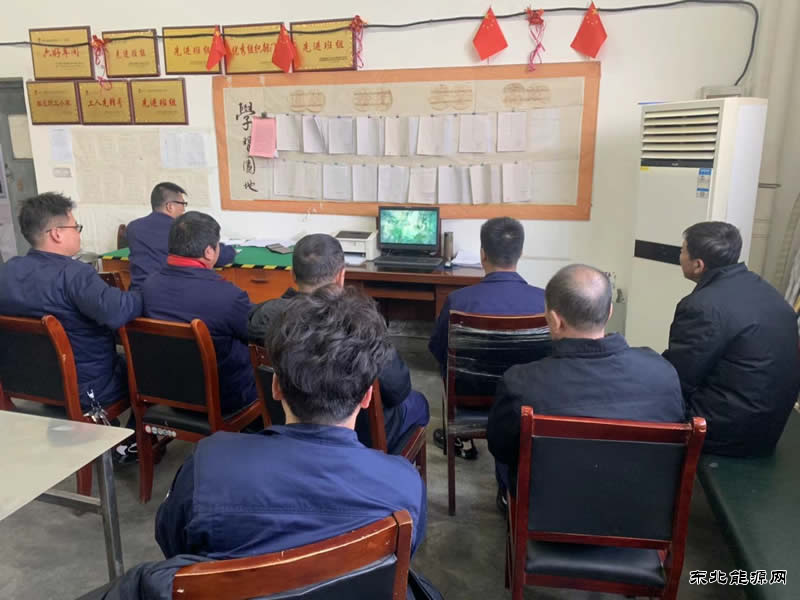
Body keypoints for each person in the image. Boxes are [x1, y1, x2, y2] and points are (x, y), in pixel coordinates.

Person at [155, 286, 427, 564]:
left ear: (275, 386)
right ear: (367, 396)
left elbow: (172, 544)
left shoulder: (206, 469)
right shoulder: (404, 487)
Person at [488, 264, 685, 511]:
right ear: (610, 311)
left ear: (554, 320)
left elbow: (500, 448)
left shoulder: (520, 383)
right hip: (641, 514)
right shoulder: (663, 373)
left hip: (550, 513)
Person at [248, 233, 430, 451]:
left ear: (292, 274)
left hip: (288, 425)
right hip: (360, 434)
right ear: (341, 276)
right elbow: (398, 389)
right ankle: (388, 466)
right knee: (419, 403)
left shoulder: (265, 318)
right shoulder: (361, 325)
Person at [663, 221, 800, 457]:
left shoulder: (702, 307)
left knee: (646, 400)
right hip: (771, 426)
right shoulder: (766, 291)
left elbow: (678, 378)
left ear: (698, 264)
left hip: (727, 432)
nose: (680, 256)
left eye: (682, 250)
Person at [0, 193, 142, 409]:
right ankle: (135, 431)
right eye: (76, 227)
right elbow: (118, 312)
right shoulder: (74, 274)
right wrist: (144, 294)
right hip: (87, 389)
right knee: (146, 368)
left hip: (28, 385)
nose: (78, 233)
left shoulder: (7, 271)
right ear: (57, 233)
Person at [429, 216, 545, 458]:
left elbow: (438, 351)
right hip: (526, 400)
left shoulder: (458, 301)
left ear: (483, 254)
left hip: (468, 399)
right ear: (521, 253)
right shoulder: (544, 302)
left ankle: (462, 438)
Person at [140, 212, 256, 414]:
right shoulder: (228, 296)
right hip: (224, 400)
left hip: (166, 393)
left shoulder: (148, 286)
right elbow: (258, 335)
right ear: (209, 252)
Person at [126, 182, 236, 290]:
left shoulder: (133, 228)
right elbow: (219, 256)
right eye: (182, 204)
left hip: (137, 293)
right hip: (170, 293)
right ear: (170, 206)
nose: (184, 210)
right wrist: (231, 250)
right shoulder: (181, 231)